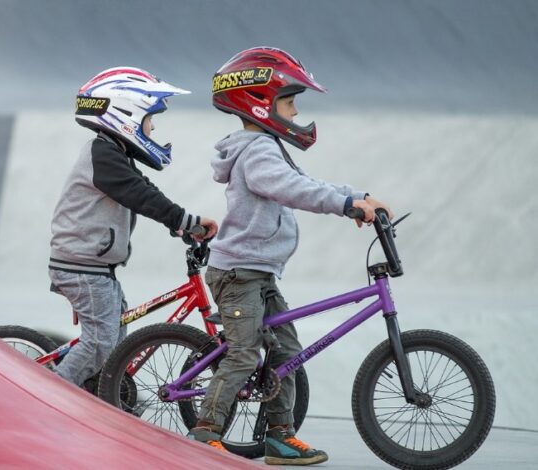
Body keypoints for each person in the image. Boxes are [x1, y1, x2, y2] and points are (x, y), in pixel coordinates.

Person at [187, 47, 392, 465]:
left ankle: (280, 436)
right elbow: (293, 190)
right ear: (260, 103)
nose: (296, 111)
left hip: (257, 272)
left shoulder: (265, 147)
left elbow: (307, 181)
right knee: (244, 353)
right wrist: (344, 206)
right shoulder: (257, 152)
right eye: (290, 101)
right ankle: (204, 431)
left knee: (286, 354)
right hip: (238, 274)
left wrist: (355, 196)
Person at [48, 67, 218, 389]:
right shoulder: (102, 154)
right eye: (149, 119)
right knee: (99, 344)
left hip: (97, 268)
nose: (152, 128)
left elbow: (145, 188)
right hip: (81, 268)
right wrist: (186, 222)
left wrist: (185, 225)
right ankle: (51, 395)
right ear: (125, 114)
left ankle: (100, 394)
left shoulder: (113, 153)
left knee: (115, 343)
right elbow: (140, 196)